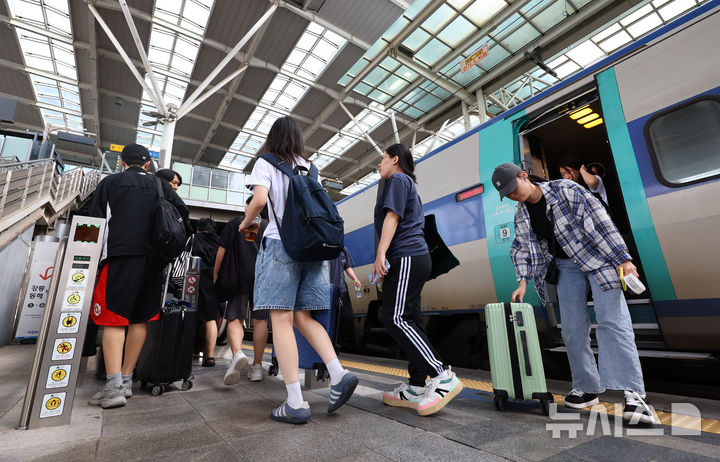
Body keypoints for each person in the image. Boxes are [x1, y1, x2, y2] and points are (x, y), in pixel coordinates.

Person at [492, 162, 657, 424]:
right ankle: (587, 387)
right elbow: (521, 246)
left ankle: (634, 395)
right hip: (566, 266)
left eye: (514, 188)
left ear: (524, 176)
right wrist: (522, 282)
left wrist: (622, 258)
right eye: (508, 194)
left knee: (613, 322)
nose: (513, 195)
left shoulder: (565, 189)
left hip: (600, 258)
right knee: (571, 328)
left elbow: (601, 221)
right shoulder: (521, 214)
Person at [239, 116, 358, 424]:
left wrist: (246, 221)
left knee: (281, 318)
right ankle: (338, 373)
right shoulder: (310, 168)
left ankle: (294, 401)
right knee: (304, 317)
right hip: (314, 251)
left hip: (281, 246)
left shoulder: (265, 162)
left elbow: (260, 199)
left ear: (273, 138)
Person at [88, 144, 191, 408]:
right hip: (154, 262)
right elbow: (184, 218)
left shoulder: (110, 183)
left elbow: (95, 222)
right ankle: (125, 380)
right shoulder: (162, 187)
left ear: (123, 162)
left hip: (120, 257)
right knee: (139, 320)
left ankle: (113, 387)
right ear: (147, 165)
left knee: (114, 319)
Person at [374, 143, 463, 417]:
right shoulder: (403, 182)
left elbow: (393, 216)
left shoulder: (399, 179)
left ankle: (441, 375)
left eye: (383, 159)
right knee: (410, 318)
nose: (379, 164)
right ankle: (415, 385)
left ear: (395, 160)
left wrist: (380, 253)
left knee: (395, 317)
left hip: (407, 256)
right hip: (413, 257)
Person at [214, 198, 270, 384]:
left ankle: (237, 354)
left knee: (235, 317)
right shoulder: (268, 227)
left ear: (248, 206)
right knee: (260, 320)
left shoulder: (236, 222)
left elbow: (222, 251)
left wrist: (215, 275)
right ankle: (257, 367)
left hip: (237, 276)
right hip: (262, 278)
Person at [190, 218, 222, 367]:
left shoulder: (193, 238)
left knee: (189, 316)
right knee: (211, 318)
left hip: (194, 281)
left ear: (198, 228)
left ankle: (188, 351)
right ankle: (210, 356)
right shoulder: (220, 241)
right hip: (214, 282)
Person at [329, 247, 361, 351]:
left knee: (347, 317)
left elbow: (347, 267)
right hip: (328, 291)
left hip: (342, 290)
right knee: (332, 319)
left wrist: (355, 279)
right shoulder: (323, 247)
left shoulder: (343, 249)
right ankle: (333, 345)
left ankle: (347, 346)